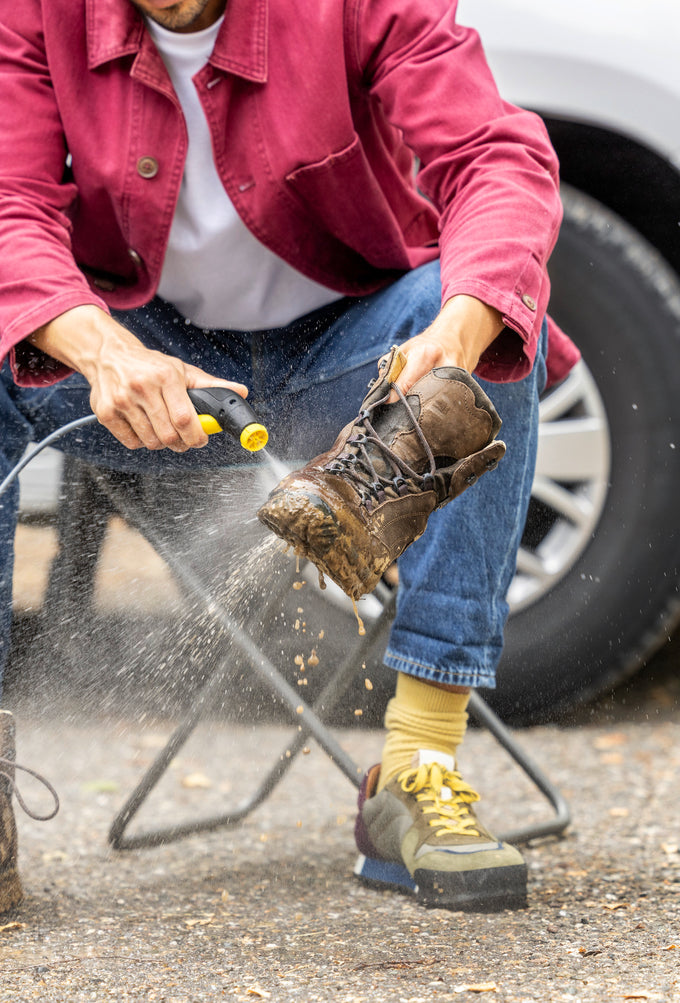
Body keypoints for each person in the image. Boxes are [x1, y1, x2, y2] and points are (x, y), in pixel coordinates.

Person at [0, 0, 579, 913]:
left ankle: (414, 772)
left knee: (491, 309)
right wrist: (102, 351)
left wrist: (461, 327)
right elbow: (9, 202)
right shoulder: (35, 12)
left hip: (354, 361)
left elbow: (497, 159)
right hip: (160, 378)